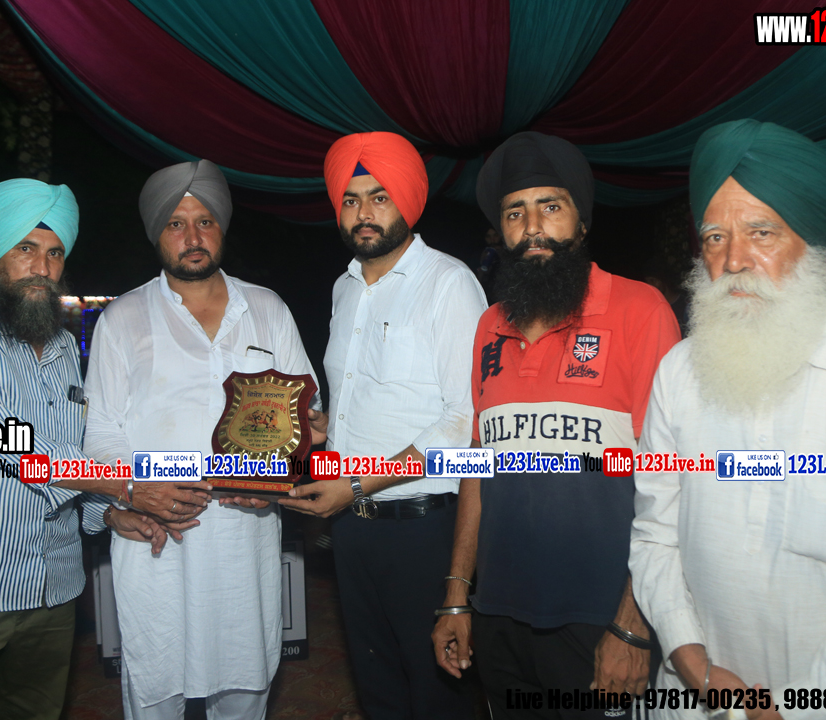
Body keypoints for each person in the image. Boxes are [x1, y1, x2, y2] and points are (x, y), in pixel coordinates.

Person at [629, 119, 826, 718]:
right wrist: (691, 660)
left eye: (761, 232)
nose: (734, 259)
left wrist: (797, 709)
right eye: (714, 237)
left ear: (812, 244)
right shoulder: (678, 371)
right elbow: (655, 533)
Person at [0, 179, 203, 720]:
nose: (42, 268)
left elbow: (72, 450)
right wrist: (129, 487)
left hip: (53, 589)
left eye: (55, 253)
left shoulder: (65, 346)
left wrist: (107, 514)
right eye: (26, 249)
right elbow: (8, 441)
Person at [431, 131, 681, 719]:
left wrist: (633, 624)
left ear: (582, 221)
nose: (533, 227)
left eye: (551, 206)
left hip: (600, 623)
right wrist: (457, 597)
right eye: (515, 212)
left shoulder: (641, 311)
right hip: (499, 615)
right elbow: (478, 469)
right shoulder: (490, 325)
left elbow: (673, 483)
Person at [82, 160, 323, 720]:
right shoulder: (123, 318)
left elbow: (307, 418)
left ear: (222, 228)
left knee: (245, 686)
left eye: (205, 221)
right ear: (156, 234)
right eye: (176, 223)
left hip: (245, 540)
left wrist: (278, 480)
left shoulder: (266, 308)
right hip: (157, 541)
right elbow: (100, 435)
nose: (192, 237)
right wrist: (136, 491)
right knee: (156, 688)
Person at [280, 131, 486, 720]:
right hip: (353, 529)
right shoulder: (344, 288)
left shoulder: (448, 282)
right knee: (378, 688)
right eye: (351, 200)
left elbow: (463, 421)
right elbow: (360, 400)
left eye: (379, 197)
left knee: (437, 695)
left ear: (408, 203)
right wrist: (321, 428)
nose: (364, 212)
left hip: (423, 530)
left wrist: (355, 483)